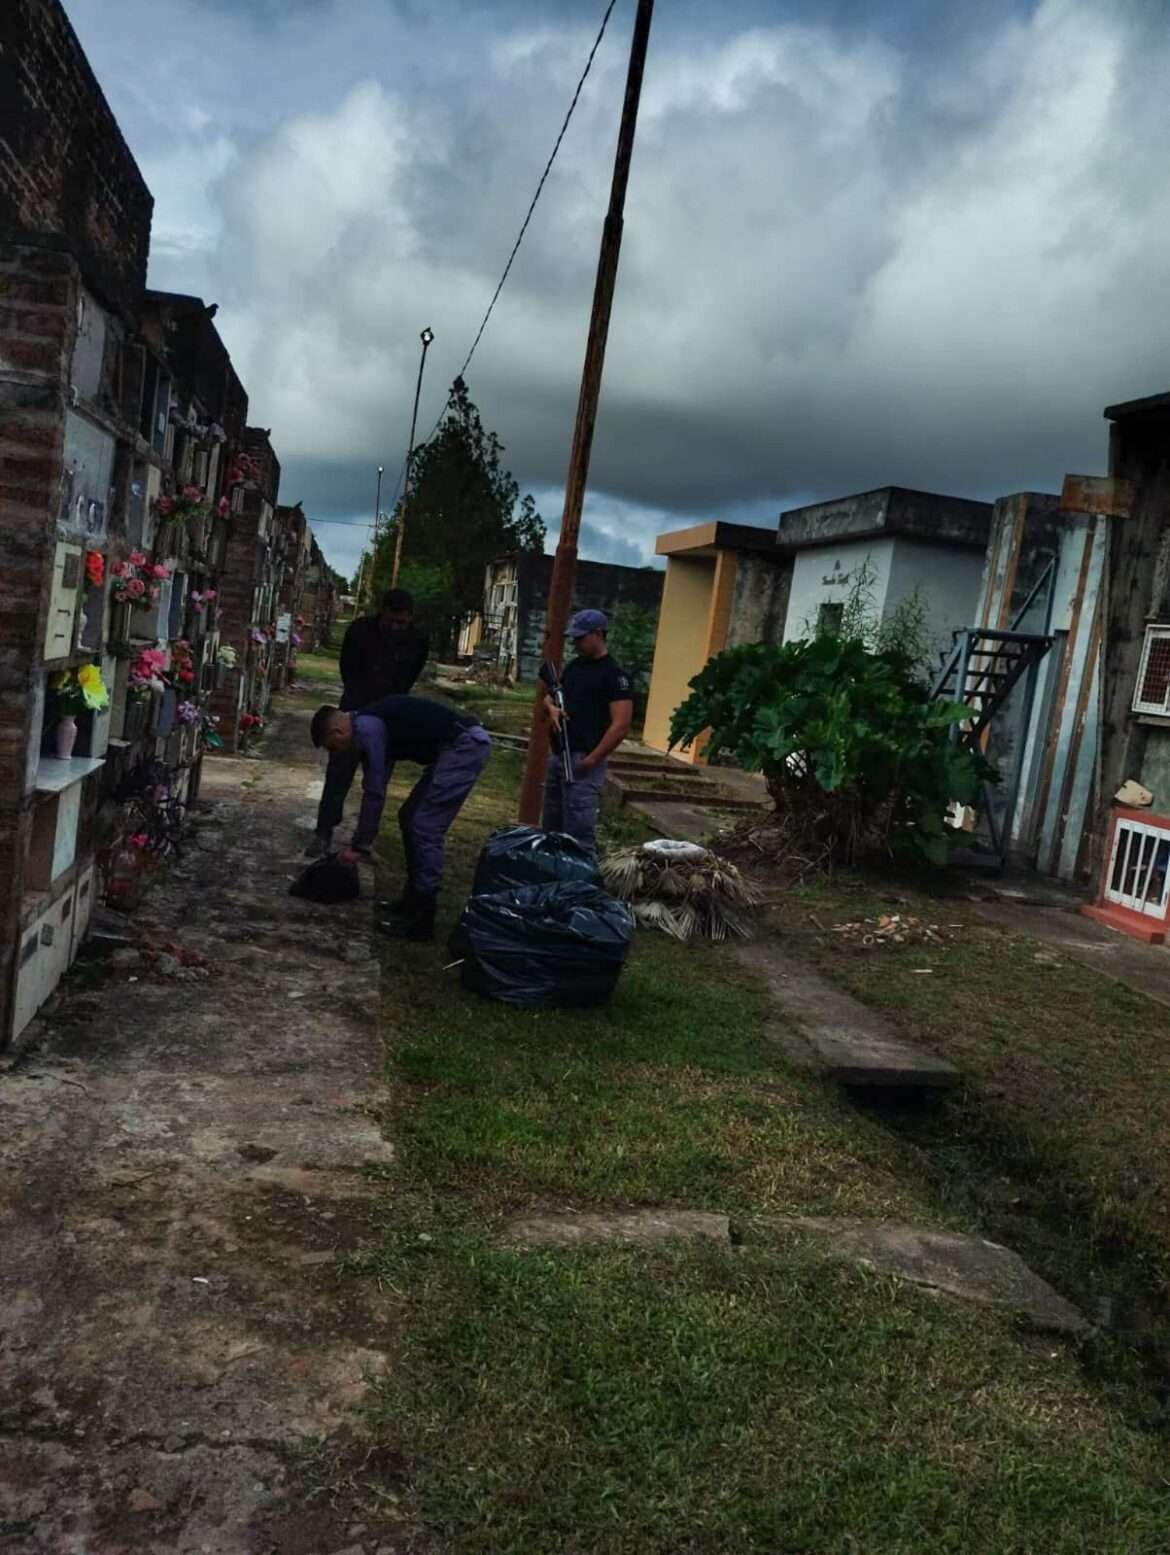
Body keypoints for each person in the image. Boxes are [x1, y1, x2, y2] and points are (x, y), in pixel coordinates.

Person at [310, 696, 491, 941]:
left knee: (425, 827)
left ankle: (423, 919)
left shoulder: (367, 728)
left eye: (332, 746)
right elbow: (375, 784)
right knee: (409, 816)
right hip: (453, 747)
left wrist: (360, 845)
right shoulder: (368, 722)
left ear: (338, 731)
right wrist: (362, 842)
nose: (337, 753)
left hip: (464, 746)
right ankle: (411, 900)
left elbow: (374, 791)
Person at [305, 588, 429, 858]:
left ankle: (363, 840)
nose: (396, 628)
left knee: (377, 783)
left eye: (402, 623)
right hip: (355, 711)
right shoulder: (360, 631)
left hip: (389, 720)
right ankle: (323, 832)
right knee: (338, 775)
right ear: (381, 612)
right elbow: (347, 669)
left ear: (410, 619)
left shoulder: (417, 640)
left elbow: (410, 676)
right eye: (391, 621)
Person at [539, 609, 633, 857]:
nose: (576, 643)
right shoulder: (574, 667)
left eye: (581, 638)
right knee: (551, 827)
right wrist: (552, 708)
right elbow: (551, 696)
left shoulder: (615, 675)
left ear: (598, 634)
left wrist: (592, 760)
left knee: (579, 834)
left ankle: (579, 886)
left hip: (584, 759)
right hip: (560, 754)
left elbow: (621, 725)